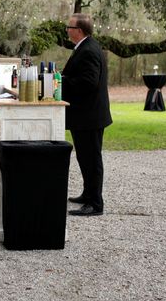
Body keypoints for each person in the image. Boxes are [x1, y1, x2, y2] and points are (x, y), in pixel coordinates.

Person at [61, 13, 112, 216]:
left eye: (69, 27)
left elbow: (88, 82)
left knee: (91, 159)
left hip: (89, 116)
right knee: (84, 157)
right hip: (84, 116)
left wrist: (61, 82)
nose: (67, 30)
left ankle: (95, 203)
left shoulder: (89, 50)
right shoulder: (84, 47)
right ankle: (87, 193)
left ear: (79, 31)